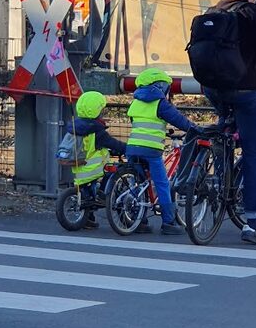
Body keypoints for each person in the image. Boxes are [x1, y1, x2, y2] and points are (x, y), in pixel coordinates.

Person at [203, 0, 256, 245]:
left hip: (213, 89)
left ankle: (219, 183)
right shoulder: (253, 13)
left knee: (224, 133)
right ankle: (254, 224)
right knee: (253, 152)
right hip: (248, 91)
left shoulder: (213, 10)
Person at [127, 68, 196, 235]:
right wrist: (194, 129)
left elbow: (138, 122)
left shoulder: (135, 102)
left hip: (132, 148)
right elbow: (178, 119)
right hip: (151, 150)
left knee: (139, 182)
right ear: (161, 86)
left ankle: (136, 219)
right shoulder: (160, 103)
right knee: (162, 184)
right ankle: (168, 222)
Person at [66, 90, 126, 229]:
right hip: (95, 167)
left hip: (80, 167)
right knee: (113, 171)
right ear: (97, 111)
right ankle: (103, 193)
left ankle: (88, 219)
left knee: (87, 191)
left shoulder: (76, 127)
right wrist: (127, 149)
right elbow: (112, 143)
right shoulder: (96, 130)